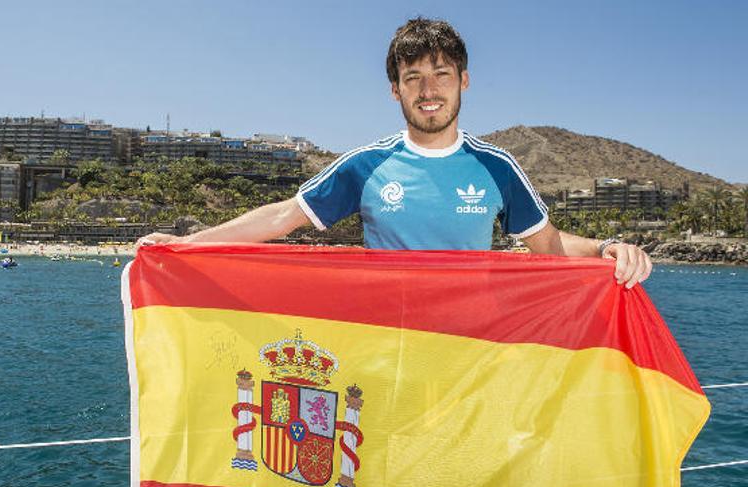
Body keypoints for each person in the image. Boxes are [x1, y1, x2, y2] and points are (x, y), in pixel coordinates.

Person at [138, 18, 652, 289]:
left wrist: (608, 249)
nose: (429, 90)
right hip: (382, 349)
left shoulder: (497, 167)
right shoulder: (365, 165)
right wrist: (189, 243)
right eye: (413, 78)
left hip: (471, 354)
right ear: (396, 90)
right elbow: (281, 218)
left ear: (464, 82)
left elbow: (549, 246)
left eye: (441, 76)